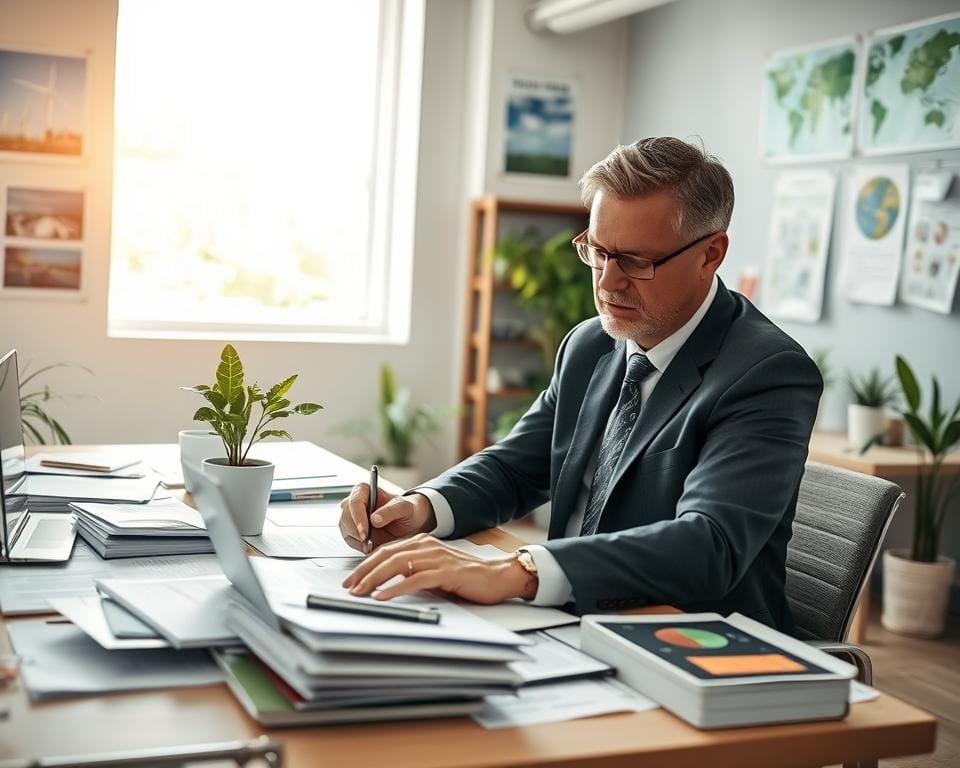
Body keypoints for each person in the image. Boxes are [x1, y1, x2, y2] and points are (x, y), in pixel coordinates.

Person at [339, 137, 821, 632]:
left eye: (636, 261)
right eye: (598, 251)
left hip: (690, 637)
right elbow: (516, 468)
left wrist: (521, 570)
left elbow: (708, 544)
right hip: (568, 619)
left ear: (710, 254)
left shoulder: (767, 372)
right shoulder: (590, 344)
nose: (608, 283)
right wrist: (420, 508)